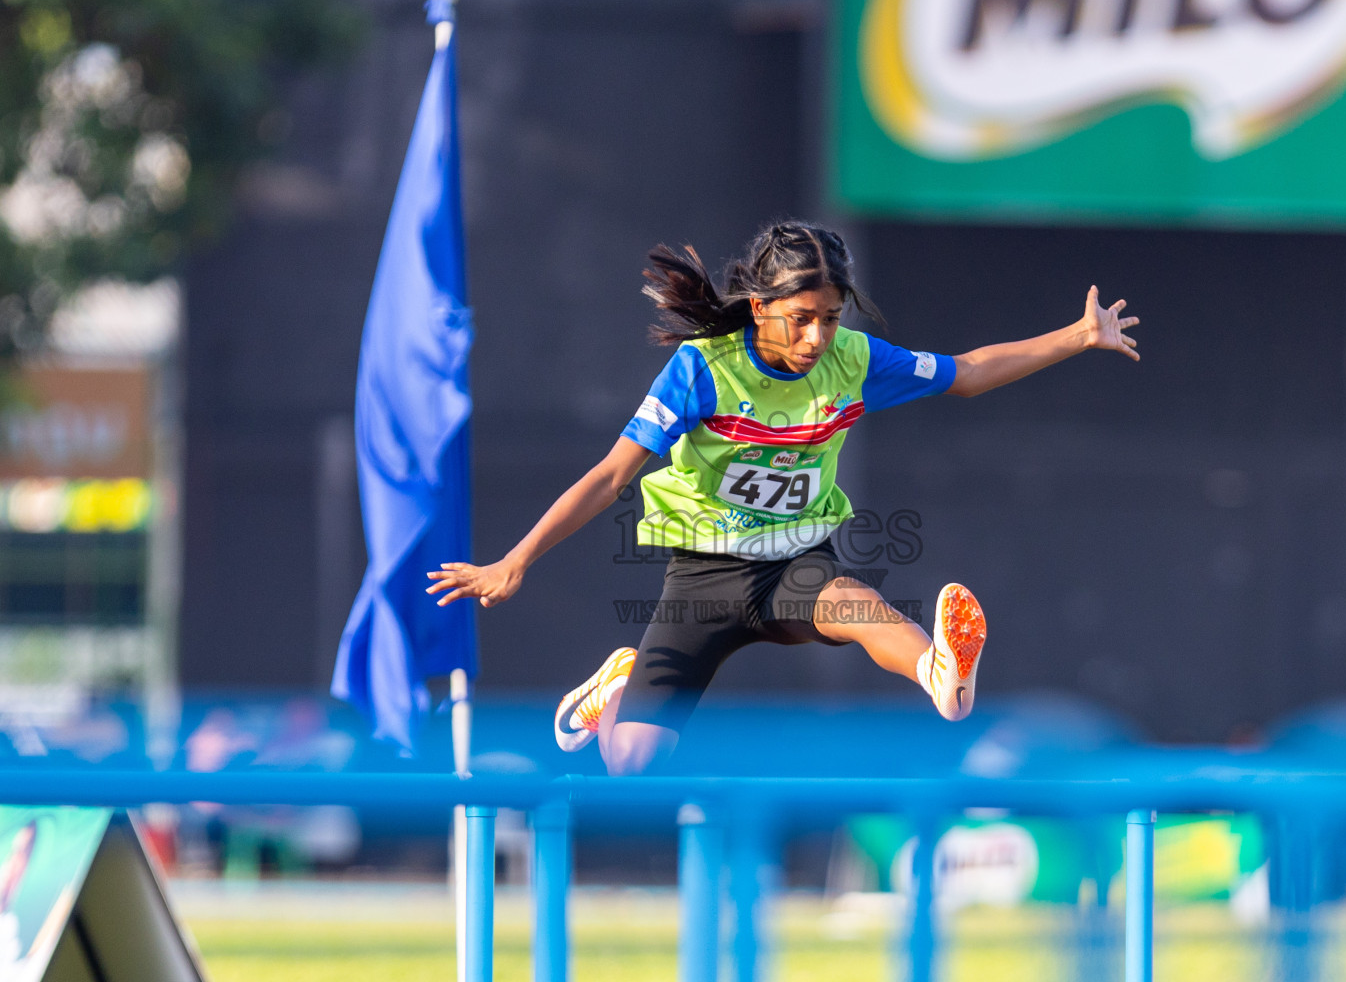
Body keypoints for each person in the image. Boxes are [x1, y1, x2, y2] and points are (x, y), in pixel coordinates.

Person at [427, 221, 1138, 775]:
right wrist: (513, 561)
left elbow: (968, 372)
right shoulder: (703, 369)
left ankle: (940, 675)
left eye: (829, 317)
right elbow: (613, 475)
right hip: (703, 579)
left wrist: (1077, 336)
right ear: (759, 307)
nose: (817, 336)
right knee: (633, 763)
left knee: (861, 609)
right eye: (800, 318)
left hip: (797, 565)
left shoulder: (853, 360)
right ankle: (619, 691)